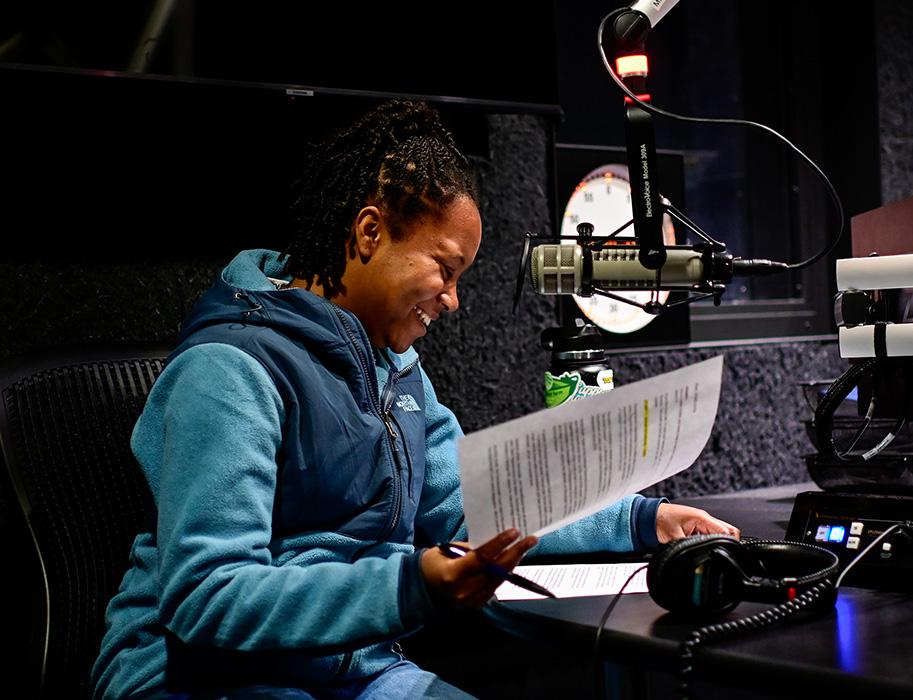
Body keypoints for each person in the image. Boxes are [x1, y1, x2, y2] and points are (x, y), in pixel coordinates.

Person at [91, 100, 738, 700]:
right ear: (370, 232)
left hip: (356, 671)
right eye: (445, 269)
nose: (452, 300)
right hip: (203, 681)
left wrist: (638, 521)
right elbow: (209, 600)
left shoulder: (395, 369)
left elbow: (470, 506)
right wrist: (411, 585)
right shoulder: (228, 371)